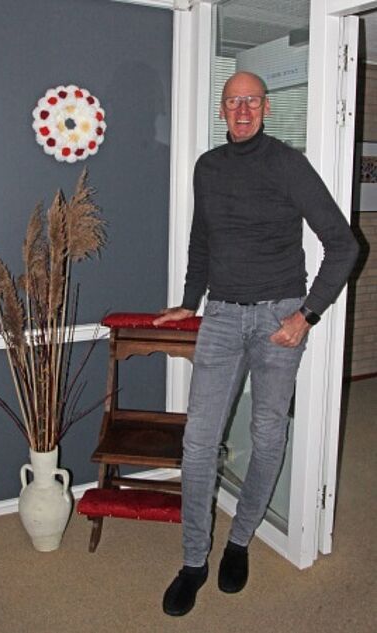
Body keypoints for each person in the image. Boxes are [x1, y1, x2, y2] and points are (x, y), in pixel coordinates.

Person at [153, 71, 359, 617]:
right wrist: (190, 300)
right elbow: (202, 239)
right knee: (199, 443)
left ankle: (239, 541)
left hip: (278, 320)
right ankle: (194, 561)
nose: (241, 110)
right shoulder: (208, 167)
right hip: (222, 316)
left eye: (251, 101)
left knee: (268, 436)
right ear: (222, 110)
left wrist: (306, 316)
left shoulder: (288, 164)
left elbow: (343, 245)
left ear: (266, 107)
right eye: (232, 101)